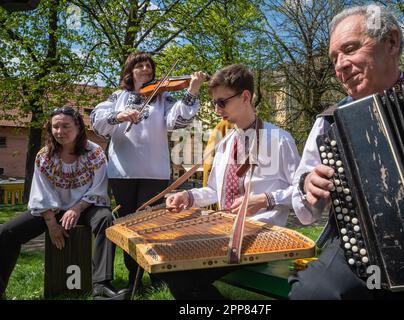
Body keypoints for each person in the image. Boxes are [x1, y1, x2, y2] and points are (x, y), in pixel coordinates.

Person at [289, 4, 404, 300]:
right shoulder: (328, 122)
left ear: (391, 42)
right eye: (334, 58)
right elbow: (303, 209)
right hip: (361, 249)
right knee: (312, 294)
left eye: (349, 49)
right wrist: (307, 183)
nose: (340, 65)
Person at [158, 63, 300, 299]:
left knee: (182, 276)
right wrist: (189, 196)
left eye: (221, 102)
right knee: (172, 264)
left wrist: (266, 199)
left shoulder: (279, 140)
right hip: (226, 231)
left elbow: (301, 191)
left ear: (245, 96)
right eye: (214, 103)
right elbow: (215, 190)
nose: (216, 110)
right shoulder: (225, 143)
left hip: (264, 235)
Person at [90, 51, 207, 291]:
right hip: (122, 172)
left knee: (150, 227)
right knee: (126, 226)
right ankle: (134, 280)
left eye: (149, 66)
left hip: (155, 171)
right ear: (130, 71)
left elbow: (179, 122)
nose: (146, 69)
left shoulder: (162, 98)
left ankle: (154, 276)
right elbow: (97, 121)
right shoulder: (118, 97)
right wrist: (118, 115)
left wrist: (193, 90)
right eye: (140, 66)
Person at [0, 107, 126, 300]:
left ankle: (101, 285)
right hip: (52, 209)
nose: (60, 131)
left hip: (86, 206)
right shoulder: (44, 156)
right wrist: (51, 223)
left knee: (105, 219)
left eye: (65, 126)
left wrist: (77, 208)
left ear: (78, 127)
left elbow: (99, 187)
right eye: (55, 127)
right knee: (6, 233)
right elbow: (41, 192)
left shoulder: (95, 153)